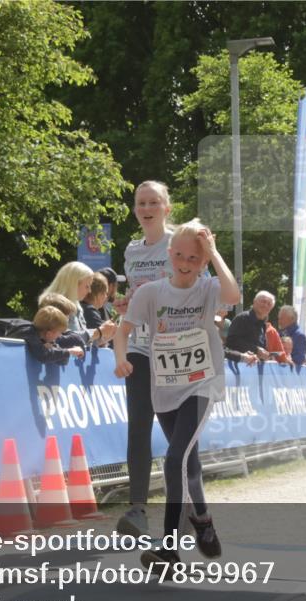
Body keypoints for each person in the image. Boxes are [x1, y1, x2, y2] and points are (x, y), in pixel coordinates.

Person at [114, 220, 240, 567]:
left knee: (174, 458)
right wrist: (121, 358)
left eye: (194, 259)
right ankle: (203, 519)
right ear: (170, 254)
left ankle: (169, 549)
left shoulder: (208, 288)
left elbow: (232, 296)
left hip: (201, 384)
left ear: (204, 261)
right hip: (166, 386)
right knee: (189, 463)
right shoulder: (151, 293)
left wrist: (213, 252)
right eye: (180, 256)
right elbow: (123, 331)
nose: (186, 264)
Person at [112, 180, 177, 538]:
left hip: (174, 350)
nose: (147, 208)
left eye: (154, 202)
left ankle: (187, 506)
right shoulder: (132, 250)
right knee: (138, 427)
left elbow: (197, 289)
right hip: (139, 347)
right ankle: (137, 509)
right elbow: (134, 295)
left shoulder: (180, 242)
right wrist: (126, 303)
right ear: (135, 209)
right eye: (141, 203)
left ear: (167, 207)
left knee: (175, 433)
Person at [41, 261, 116, 343]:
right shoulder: (55, 305)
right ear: (74, 284)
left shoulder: (77, 306)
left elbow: (82, 341)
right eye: (87, 286)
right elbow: (60, 339)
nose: (89, 291)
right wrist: (99, 332)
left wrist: (105, 335)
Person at [7, 305, 85, 364]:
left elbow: (63, 361)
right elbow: (44, 356)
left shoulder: (44, 338)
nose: (60, 336)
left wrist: (56, 349)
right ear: (49, 334)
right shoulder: (29, 332)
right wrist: (70, 351)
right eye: (59, 333)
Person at [225, 290, 274, 365]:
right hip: (239, 365)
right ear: (254, 302)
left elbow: (259, 347)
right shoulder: (242, 318)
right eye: (263, 301)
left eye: (269, 304)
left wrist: (264, 355)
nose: (265, 305)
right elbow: (231, 341)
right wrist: (256, 350)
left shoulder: (263, 325)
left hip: (253, 367)